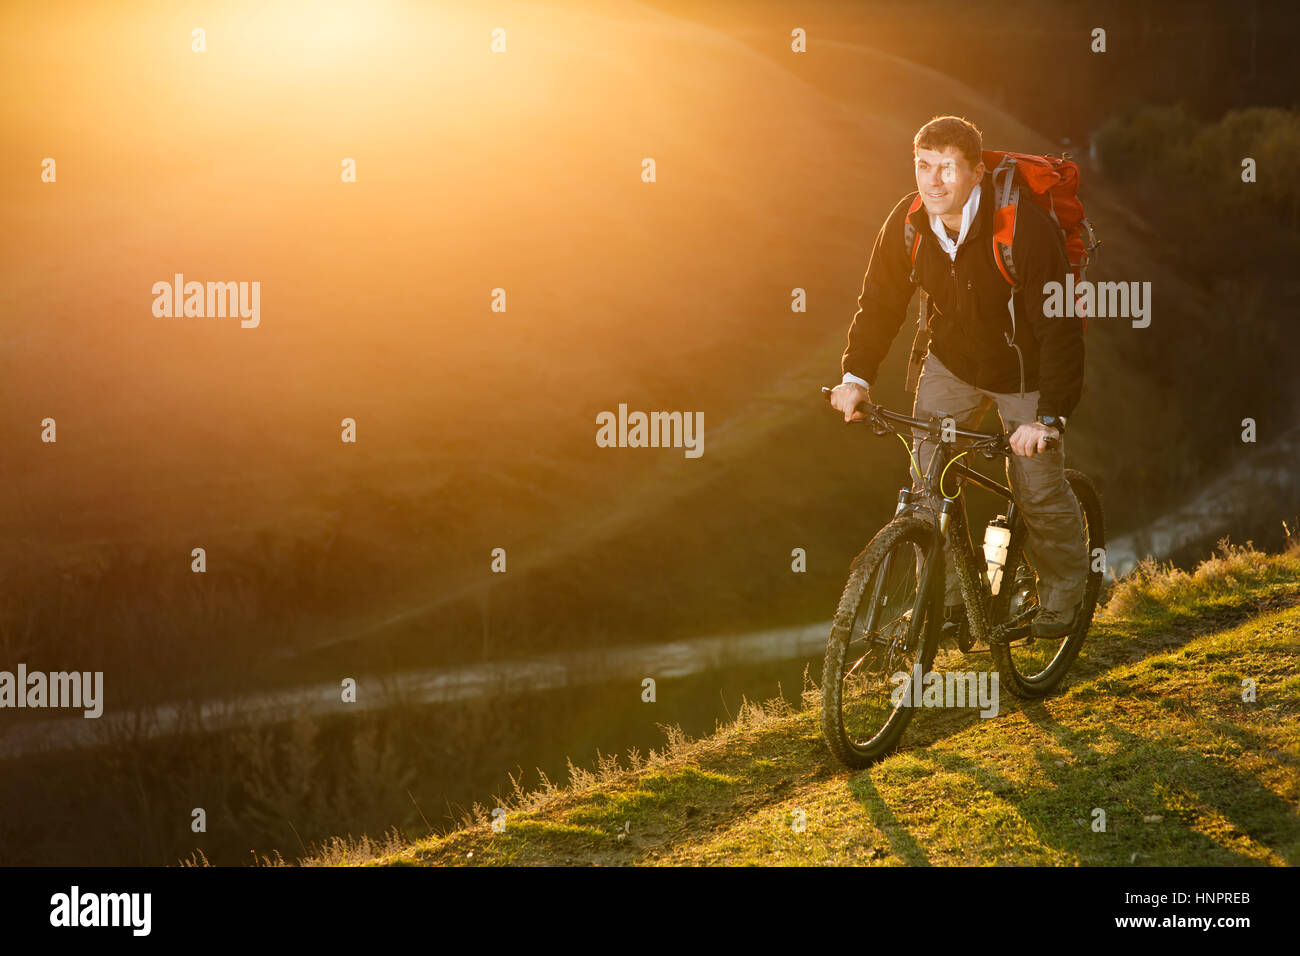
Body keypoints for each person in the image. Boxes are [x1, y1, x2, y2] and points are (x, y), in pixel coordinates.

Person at [828, 115, 1088, 641]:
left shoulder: (1023, 230)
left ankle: (1065, 593)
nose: (933, 180)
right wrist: (855, 376)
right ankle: (943, 603)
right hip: (952, 364)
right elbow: (879, 305)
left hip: (1024, 373)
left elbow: (1061, 326)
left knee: (1035, 486)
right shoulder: (908, 224)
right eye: (924, 166)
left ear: (975, 173)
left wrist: (1049, 418)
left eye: (947, 168)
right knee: (928, 486)